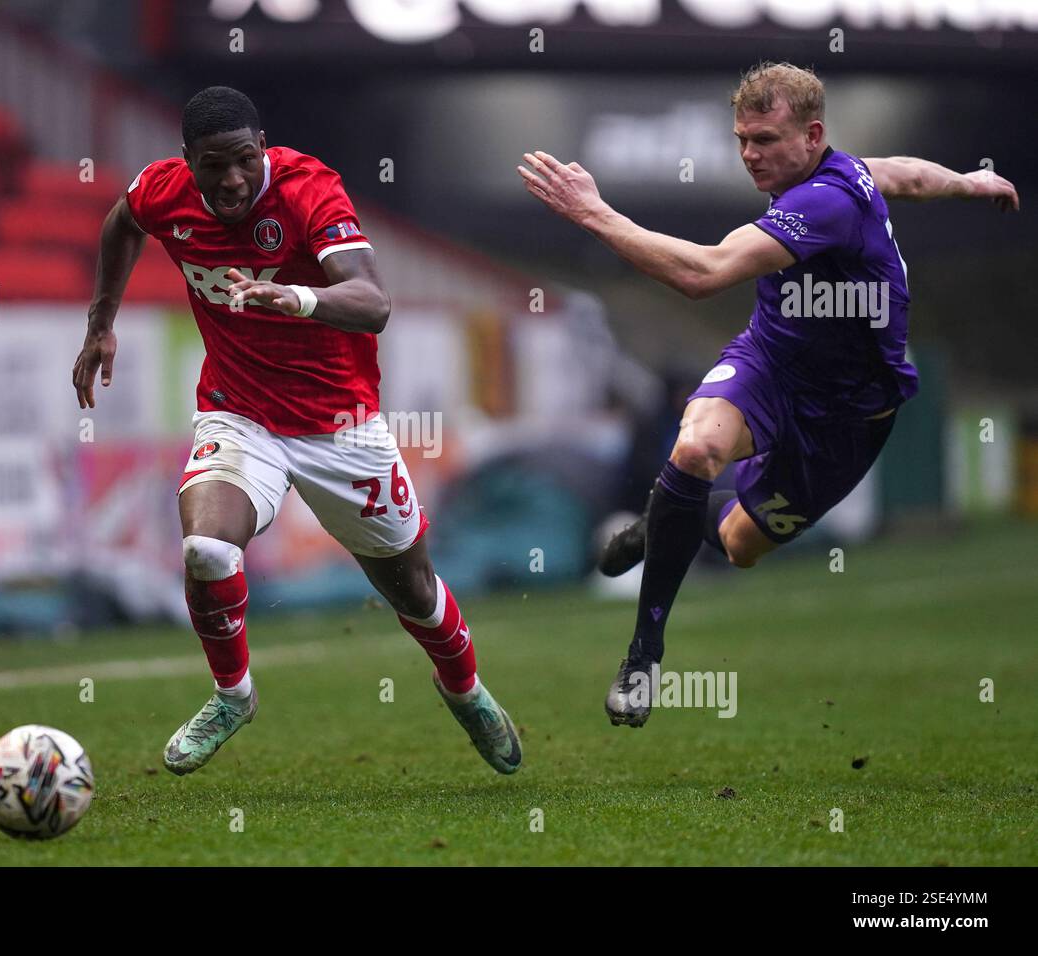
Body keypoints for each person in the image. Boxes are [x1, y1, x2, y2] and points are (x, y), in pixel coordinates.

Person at [518, 61, 1019, 728]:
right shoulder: (843, 175)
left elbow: (705, 272)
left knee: (738, 546)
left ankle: (664, 521)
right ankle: (644, 654)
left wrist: (594, 213)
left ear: (813, 136)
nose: (750, 155)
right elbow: (903, 173)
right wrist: (966, 182)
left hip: (848, 418)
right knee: (695, 449)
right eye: (742, 140)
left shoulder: (827, 203)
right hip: (770, 366)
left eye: (766, 140)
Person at [72, 86, 521, 773]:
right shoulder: (163, 192)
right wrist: (101, 323)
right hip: (240, 412)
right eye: (214, 165)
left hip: (340, 427)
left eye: (245, 160)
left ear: (263, 149)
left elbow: (374, 302)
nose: (232, 179)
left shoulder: (309, 189)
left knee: (415, 592)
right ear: (186, 160)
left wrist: (300, 297)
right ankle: (233, 694)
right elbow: (120, 222)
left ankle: (465, 690)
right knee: (205, 550)